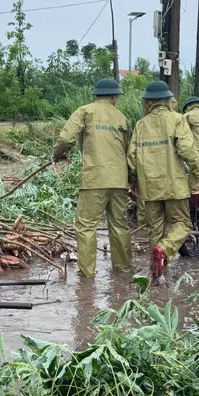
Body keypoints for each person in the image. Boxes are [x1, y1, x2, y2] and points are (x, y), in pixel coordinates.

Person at [53, 78, 132, 278]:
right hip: (119, 182)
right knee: (120, 226)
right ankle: (123, 270)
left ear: (96, 95)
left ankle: (87, 275)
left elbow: (66, 138)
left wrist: (59, 155)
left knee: (87, 226)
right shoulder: (122, 118)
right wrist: (132, 179)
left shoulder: (85, 111)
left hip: (94, 180)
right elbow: (130, 151)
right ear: (114, 97)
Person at [128, 80, 199, 280]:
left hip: (150, 187)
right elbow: (187, 149)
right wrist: (198, 173)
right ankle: (164, 250)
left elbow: (132, 157)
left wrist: (134, 180)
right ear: (166, 100)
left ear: (149, 102)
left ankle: (157, 275)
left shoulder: (140, 125)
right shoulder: (177, 119)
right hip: (174, 185)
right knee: (182, 224)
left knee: (156, 229)